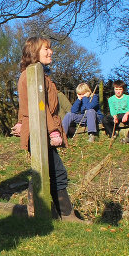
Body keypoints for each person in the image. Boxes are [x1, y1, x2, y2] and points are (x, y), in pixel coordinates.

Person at [17, 37, 87, 223]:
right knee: (55, 172)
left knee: (48, 171)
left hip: (40, 129)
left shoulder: (39, 74)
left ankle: (50, 214)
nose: (51, 52)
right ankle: (65, 214)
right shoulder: (33, 75)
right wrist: (53, 131)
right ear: (34, 52)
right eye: (46, 49)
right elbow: (40, 106)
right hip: (40, 131)